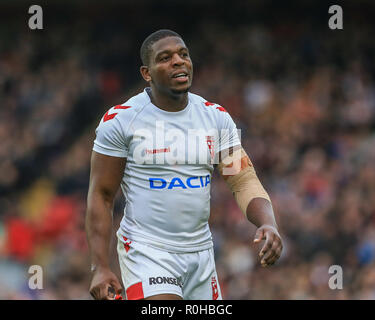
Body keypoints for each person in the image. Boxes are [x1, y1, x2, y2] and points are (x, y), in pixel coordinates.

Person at [85, 29, 283, 300]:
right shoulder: (121, 121)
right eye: (165, 58)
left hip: (201, 254)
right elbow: (101, 194)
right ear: (147, 73)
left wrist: (268, 223)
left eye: (183, 54)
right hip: (147, 251)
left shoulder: (215, 118)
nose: (178, 61)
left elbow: (242, 179)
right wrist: (100, 266)